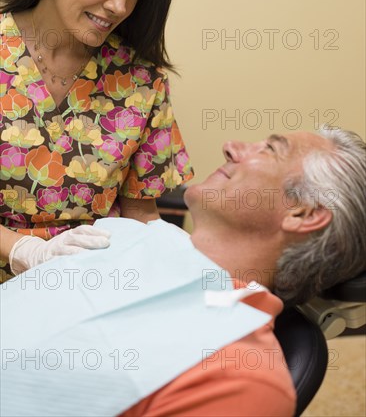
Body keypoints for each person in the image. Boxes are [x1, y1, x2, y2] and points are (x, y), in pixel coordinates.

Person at [1, 128, 365, 417]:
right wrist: (25, 250)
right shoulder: (120, 236)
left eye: (270, 150)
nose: (231, 146)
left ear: (303, 213)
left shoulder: (240, 378)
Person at [0, 0, 194, 281]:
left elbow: (141, 214)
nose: (120, 5)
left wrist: (175, 259)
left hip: (89, 294)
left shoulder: (141, 83)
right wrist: (23, 250)